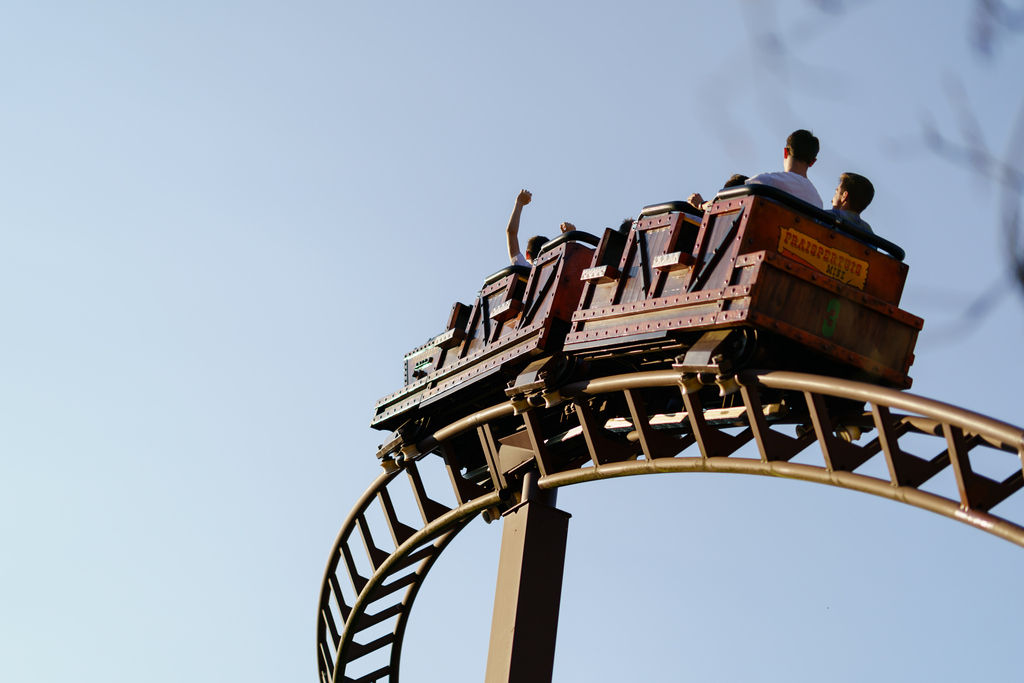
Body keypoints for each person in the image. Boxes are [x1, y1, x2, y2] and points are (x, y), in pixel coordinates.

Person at [745, 129, 823, 208]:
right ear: (812, 162)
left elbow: (740, 194)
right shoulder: (817, 201)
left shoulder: (769, 181)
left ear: (785, 152)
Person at [505, 189, 574, 266]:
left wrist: (519, 203)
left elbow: (511, 232)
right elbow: (570, 261)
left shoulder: (524, 267)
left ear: (527, 254)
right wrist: (571, 238)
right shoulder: (556, 271)